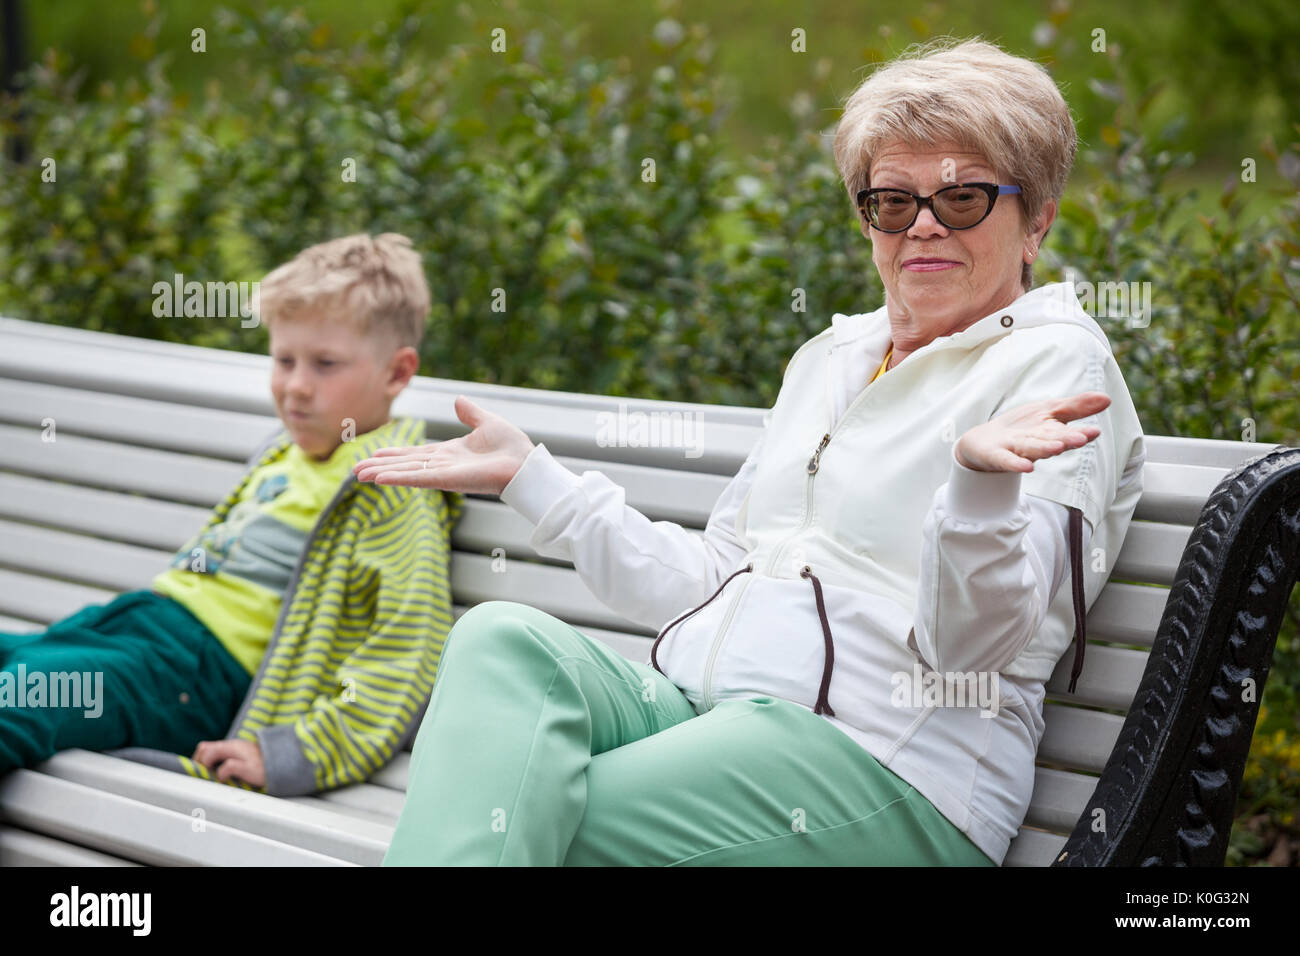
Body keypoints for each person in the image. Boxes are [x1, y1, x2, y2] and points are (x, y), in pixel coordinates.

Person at [356, 38, 1146, 866]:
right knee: (502, 641)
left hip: (891, 770)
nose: (921, 225)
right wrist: (535, 479)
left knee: (530, 819)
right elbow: (713, 580)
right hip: (711, 715)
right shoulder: (830, 361)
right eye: (891, 201)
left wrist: (976, 487)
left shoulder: (1058, 364)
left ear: (1038, 219)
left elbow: (973, 656)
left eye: (963, 199)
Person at [0, 233, 463, 797]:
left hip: (196, 676)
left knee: (19, 702)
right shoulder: (284, 453)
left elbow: (406, 646)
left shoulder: (390, 482)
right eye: (284, 360)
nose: (295, 386)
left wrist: (298, 752)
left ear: (396, 373)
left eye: (324, 364)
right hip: (138, 627)